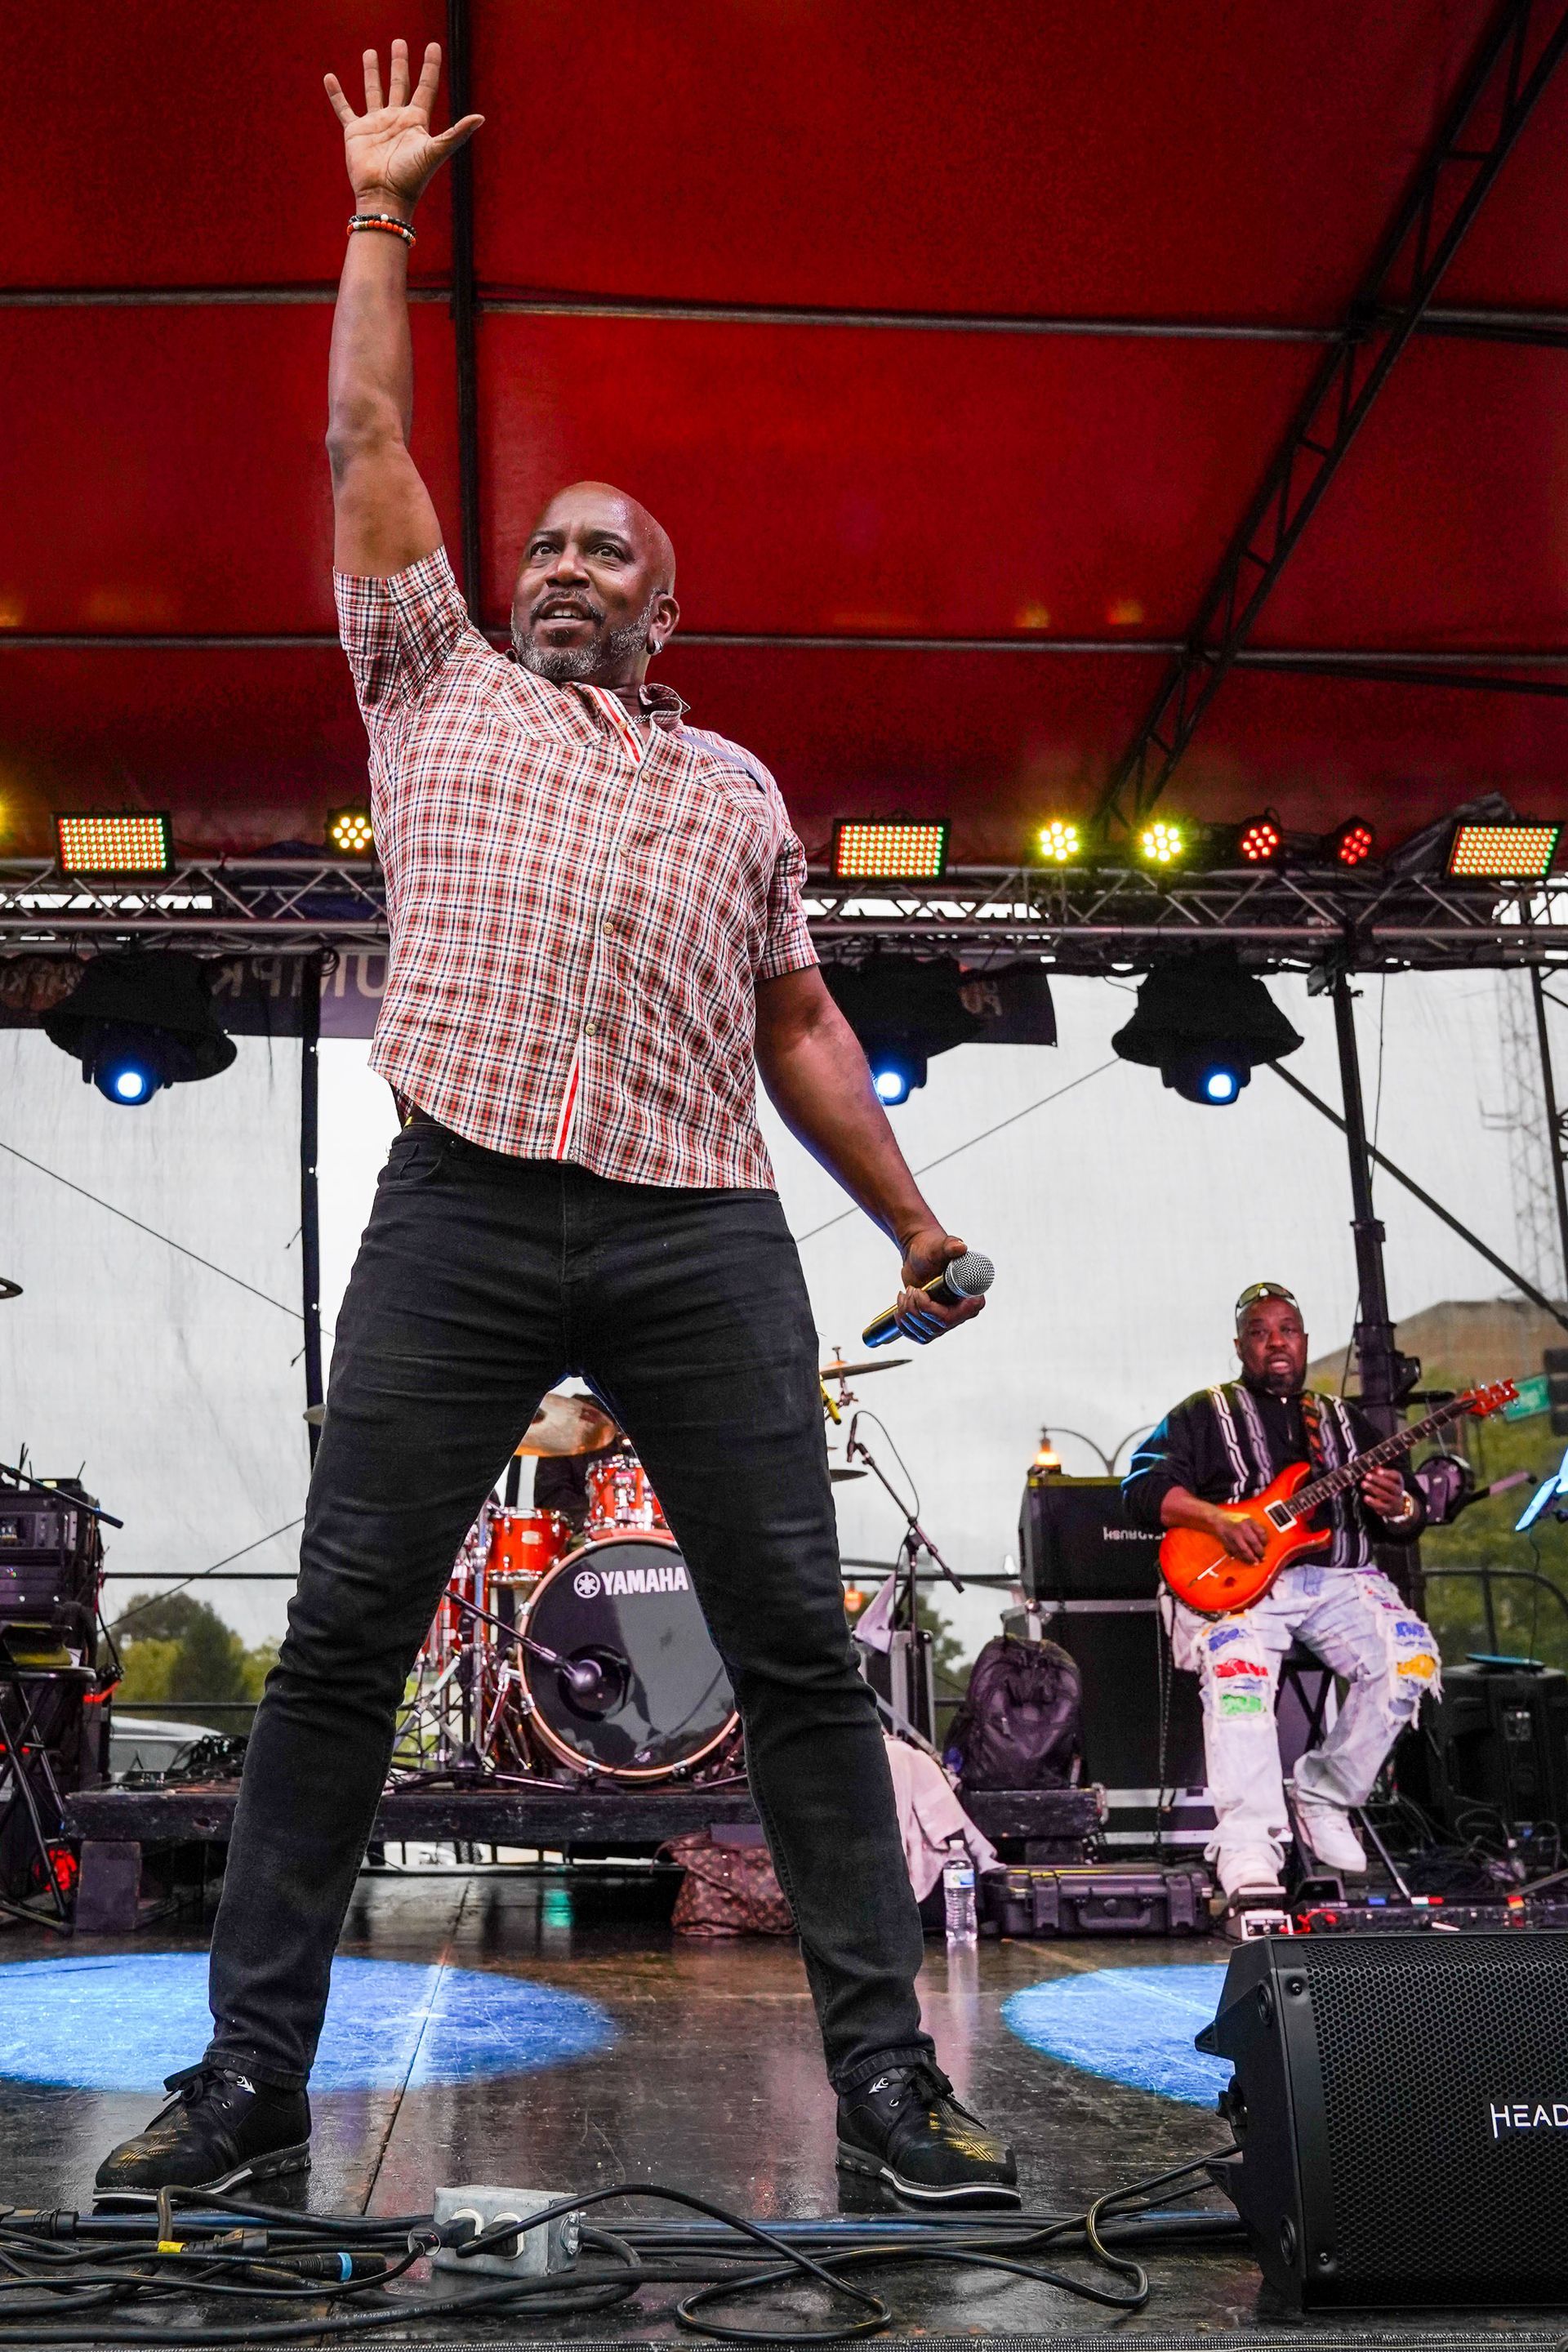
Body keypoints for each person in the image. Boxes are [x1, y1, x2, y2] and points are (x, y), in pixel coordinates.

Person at [96, 39, 1017, 2213]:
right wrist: (379, 209)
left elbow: (798, 1021)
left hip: (701, 1229)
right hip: (466, 1207)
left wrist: (913, 1223)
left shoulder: (736, 790)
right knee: (339, 1638)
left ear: (669, 611)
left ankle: (892, 2096)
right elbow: (360, 435)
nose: (574, 563)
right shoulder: (435, 688)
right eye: (554, 541)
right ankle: (244, 2095)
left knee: (798, 1651)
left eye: (614, 551)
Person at [1121, 1281, 1437, 1901]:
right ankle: (1247, 1846)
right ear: (1241, 1346)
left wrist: (1400, 1505)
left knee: (1411, 1660)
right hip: (1240, 1583)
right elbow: (1140, 1488)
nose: (1276, 1342)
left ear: (1305, 1340)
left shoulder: (1346, 1422)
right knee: (1239, 1679)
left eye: (1287, 1329)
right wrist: (1218, 1521)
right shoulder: (1203, 1413)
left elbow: (1404, 1518)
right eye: (1261, 1332)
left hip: (1340, 1581)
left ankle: (1324, 1795)